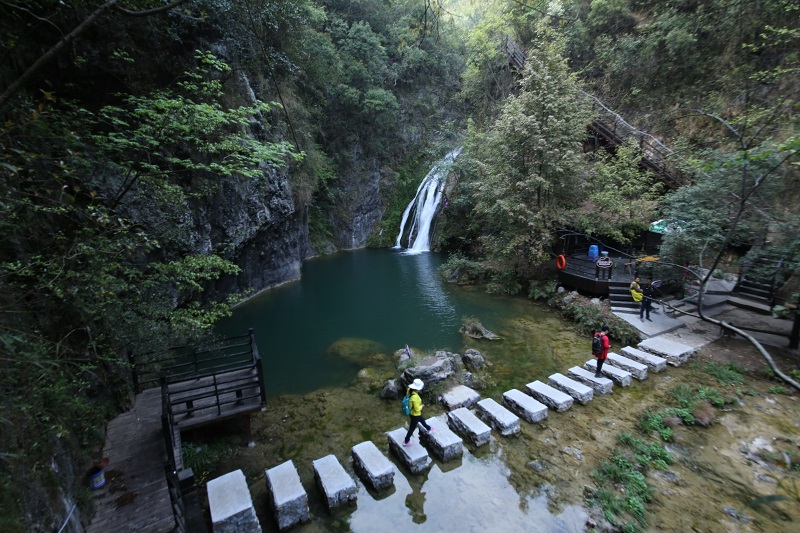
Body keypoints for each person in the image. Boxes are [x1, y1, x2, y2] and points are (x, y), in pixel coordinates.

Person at [404, 378, 434, 446]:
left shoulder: (409, 390)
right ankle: (406, 441)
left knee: (422, 419)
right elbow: (417, 409)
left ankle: (429, 428)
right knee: (412, 428)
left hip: (413, 413)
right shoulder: (415, 397)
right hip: (415, 414)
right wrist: (422, 406)